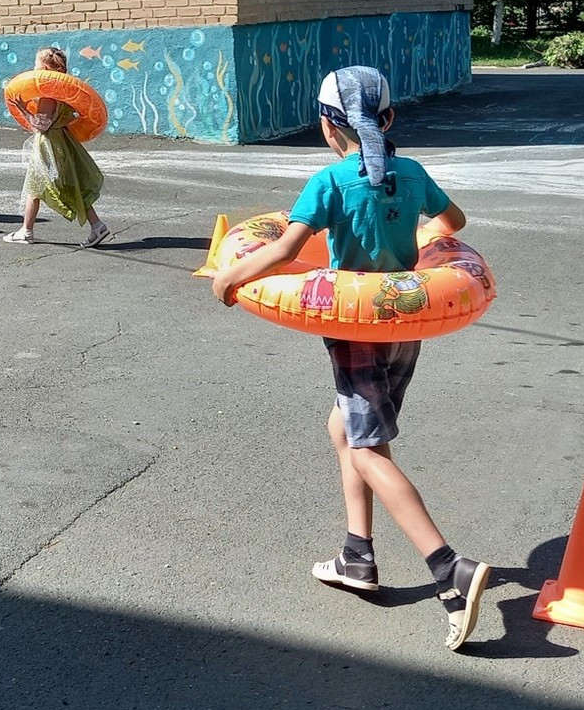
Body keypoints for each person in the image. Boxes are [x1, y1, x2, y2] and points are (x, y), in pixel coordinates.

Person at [209, 66, 488, 652]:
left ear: (325, 126)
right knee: (345, 427)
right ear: (388, 119)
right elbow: (454, 223)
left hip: (354, 325)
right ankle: (357, 556)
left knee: (366, 448)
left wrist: (229, 277)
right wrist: (425, 235)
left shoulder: (330, 181)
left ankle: (449, 570)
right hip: (406, 323)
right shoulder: (411, 173)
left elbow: (286, 248)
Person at [2, 47, 110, 247]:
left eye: (36, 64)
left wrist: (22, 107)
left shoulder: (47, 96)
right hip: (63, 142)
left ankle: (27, 231)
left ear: (43, 68)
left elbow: (41, 125)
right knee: (64, 185)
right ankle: (96, 225)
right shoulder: (64, 94)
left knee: (36, 185)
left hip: (49, 144)